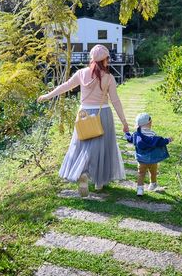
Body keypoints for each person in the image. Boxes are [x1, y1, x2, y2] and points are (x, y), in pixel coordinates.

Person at [37, 44, 130, 196]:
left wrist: (48, 95)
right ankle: (99, 182)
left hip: (84, 114)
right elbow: (115, 101)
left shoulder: (81, 73)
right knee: (103, 148)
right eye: (107, 58)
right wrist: (124, 122)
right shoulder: (109, 78)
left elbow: (65, 86)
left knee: (82, 146)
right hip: (103, 114)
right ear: (104, 60)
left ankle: (84, 173)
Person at [125, 112, 173, 196]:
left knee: (141, 174)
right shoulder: (152, 134)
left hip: (141, 160)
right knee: (153, 172)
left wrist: (126, 133)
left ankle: (140, 190)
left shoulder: (136, 134)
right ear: (149, 123)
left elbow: (129, 139)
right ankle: (152, 184)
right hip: (152, 159)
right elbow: (160, 142)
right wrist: (168, 140)